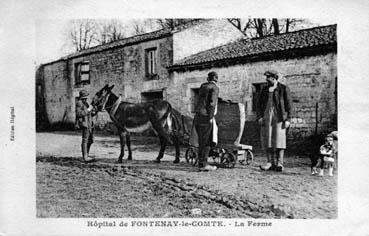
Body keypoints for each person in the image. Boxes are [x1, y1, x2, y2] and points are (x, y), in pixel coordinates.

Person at [257, 70, 292, 172]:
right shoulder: (264, 90)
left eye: (268, 77)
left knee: (279, 141)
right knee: (268, 140)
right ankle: (269, 162)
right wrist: (259, 117)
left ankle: (280, 163)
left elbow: (289, 106)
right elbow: (258, 105)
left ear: (274, 78)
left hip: (279, 117)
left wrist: (288, 119)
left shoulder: (283, 89)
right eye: (266, 77)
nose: (266, 80)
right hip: (266, 117)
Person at [194, 71, 219, 171]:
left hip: (198, 115)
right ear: (216, 78)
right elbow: (212, 103)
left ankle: (201, 162)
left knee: (201, 140)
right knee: (207, 140)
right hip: (206, 116)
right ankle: (203, 164)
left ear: (208, 79)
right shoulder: (215, 88)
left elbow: (205, 99)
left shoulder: (202, 86)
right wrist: (210, 117)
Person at [75, 90, 97, 163]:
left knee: (91, 140)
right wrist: (88, 109)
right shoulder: (79, 103)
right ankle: (85, 157)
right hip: (85, 124)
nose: (86, 99)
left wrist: (95, 111)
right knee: (85, 140)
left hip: (90, 124)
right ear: (82, 97)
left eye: (86, 97)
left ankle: (87, 154)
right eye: (84, 97)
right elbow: (79, 114)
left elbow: (90, 114)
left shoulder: (86, 103)